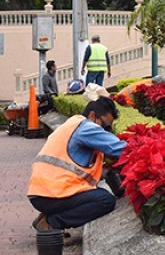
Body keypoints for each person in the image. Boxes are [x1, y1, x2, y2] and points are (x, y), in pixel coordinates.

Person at [28, 96, 127, 232]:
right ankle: (52, 223)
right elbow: (122, 149)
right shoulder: (87, 128)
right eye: (105, 126)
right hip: (52, 193)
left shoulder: (72, 125)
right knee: (105, 200)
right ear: (92, 115)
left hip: (42, 193)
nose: (105, 132)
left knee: (97, 193)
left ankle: (47, 216)